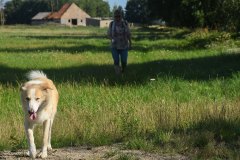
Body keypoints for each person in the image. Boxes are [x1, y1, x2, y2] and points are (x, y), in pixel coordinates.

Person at [108, 9, 132, 75]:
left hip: (124, 45)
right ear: (114, 16)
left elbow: (128, 34)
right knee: (116, 60)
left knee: (124, 61)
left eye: (119, 16)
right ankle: (118, 74)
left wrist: (130, 43)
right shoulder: (111, 24)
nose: (117, 18)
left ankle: (123, 72)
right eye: (116, 16)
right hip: (114, 46)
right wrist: (111, 39)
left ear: (121, 16)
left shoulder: (125, 23)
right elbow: (109, 34)